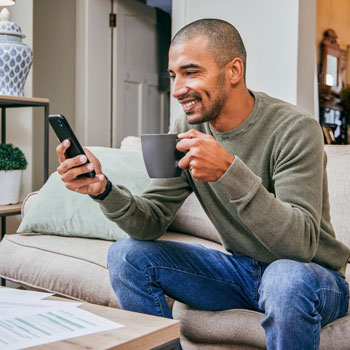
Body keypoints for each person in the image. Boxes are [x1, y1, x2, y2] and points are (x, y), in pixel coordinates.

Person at [56, 19, 350, 350]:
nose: (178, 88)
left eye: (191, 72)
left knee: (284, 278)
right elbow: (151, 221)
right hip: (242, 272)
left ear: (234, 71)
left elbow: (299, 246)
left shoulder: (295, 129)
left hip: (313, 278)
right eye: (173, 75)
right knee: (127, 255)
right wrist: (103, 190)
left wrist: (228, 170)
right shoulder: (186, 127)